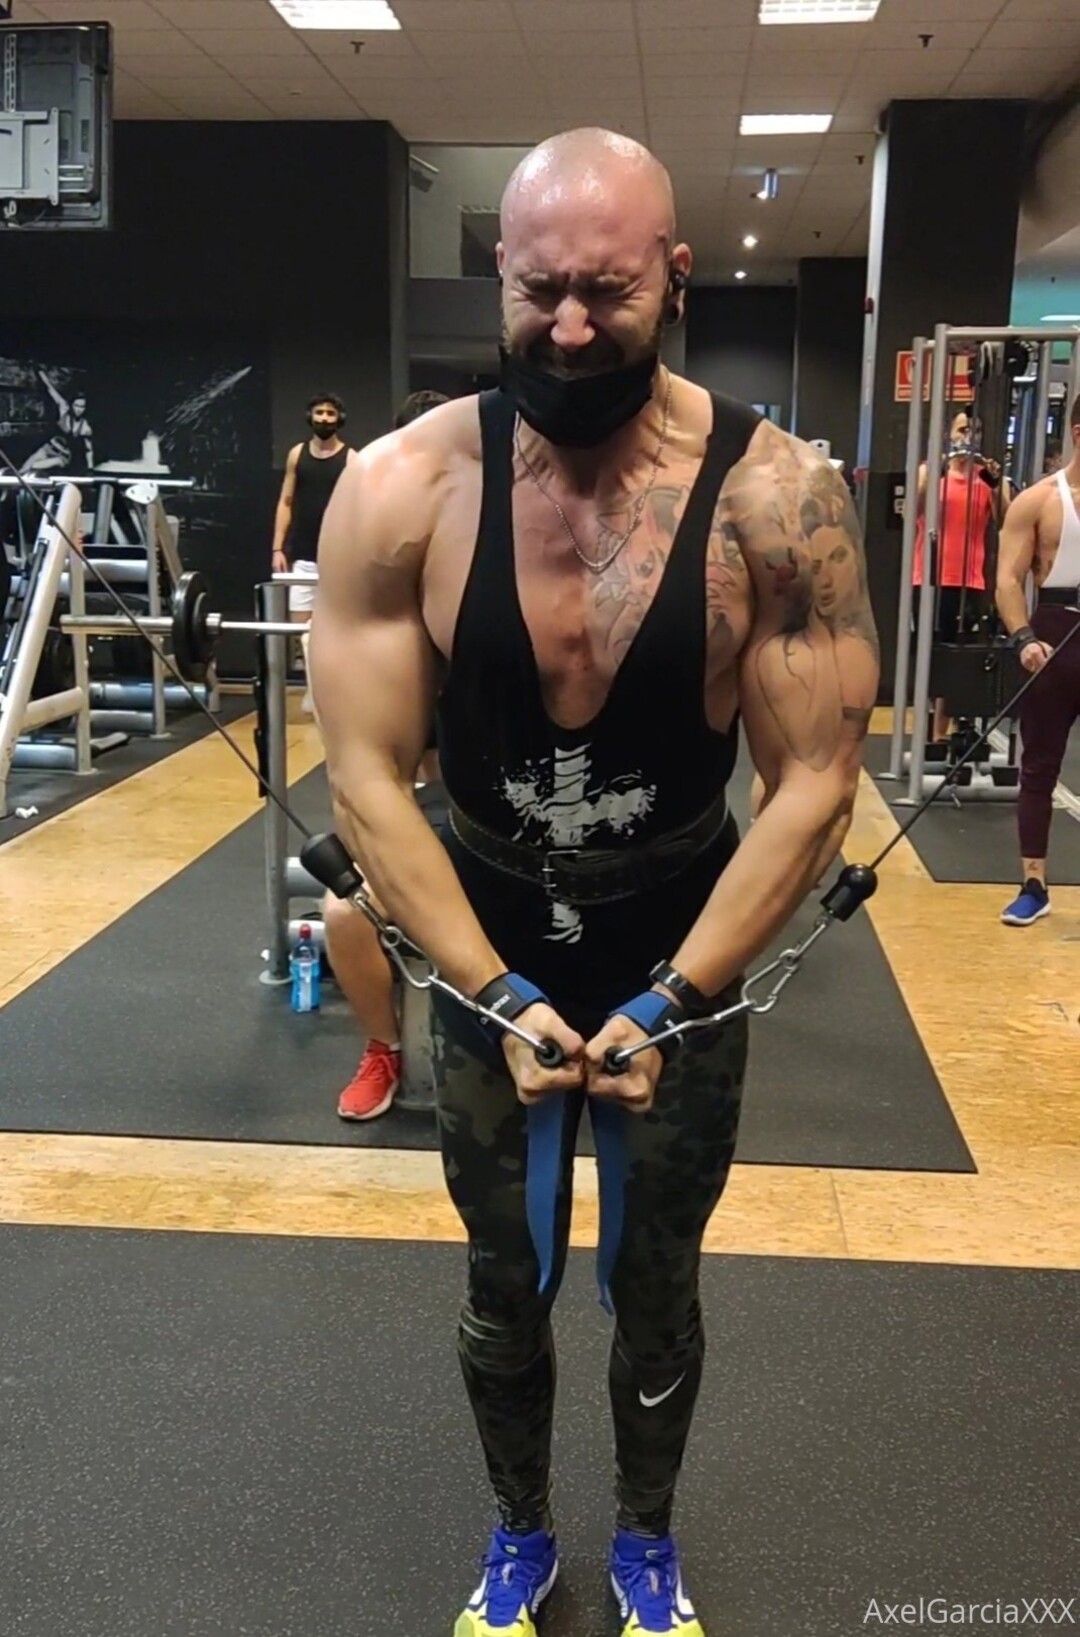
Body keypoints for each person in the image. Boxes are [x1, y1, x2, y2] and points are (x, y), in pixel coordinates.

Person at [310, 128, 878, 1637]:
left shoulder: (779, 495)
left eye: (608, 292)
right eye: (540, 288)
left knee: (658, 1275)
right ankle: (517, 1534)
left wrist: (677, 996)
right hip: (485, 928)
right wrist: (492, 989)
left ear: (675, 276)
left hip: (680, 933)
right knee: (505, 1276)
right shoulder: (400, 486)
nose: (568, 327)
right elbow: (366, 774)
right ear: (499, 270)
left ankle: (645, 1540)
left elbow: (815, 780)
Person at [325, 387, 450, 1122]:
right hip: (418, 803)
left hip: (506, 811)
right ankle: (383, 1046)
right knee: (345, 913)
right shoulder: (377, 596)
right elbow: (370, 772)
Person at [994, 393, 1080, 926]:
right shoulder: (1039, 501)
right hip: (1055, 634)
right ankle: (1033, 884)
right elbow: (1007, 579)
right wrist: (1024, 637)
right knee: (1040, 764)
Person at [912, 410, 1010, 744]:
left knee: (960, 659)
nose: (968, 436)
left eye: (974, 430)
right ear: (950, 435)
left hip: (970, 581)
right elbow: (913, 509)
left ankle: (942, 734)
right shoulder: (931, 472)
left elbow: (1007, 521)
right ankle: (928, 734)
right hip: (930, 577)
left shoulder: (987, 478)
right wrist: (935, 470)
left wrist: (995, 484)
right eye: (963, 429)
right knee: (932, 656)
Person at [271, 393, 351, 711]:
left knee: (336, 630)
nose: (324, 418)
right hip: (303, 557)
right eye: (320, 412)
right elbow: (286, 502)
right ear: (310, 416)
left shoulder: (352, 459)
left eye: (330, 413)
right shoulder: (297, 455)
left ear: (339, 418)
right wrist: (278, 547)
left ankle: (334, 694)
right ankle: (312, 690)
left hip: (337, 558)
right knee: (301, 630)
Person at [20, 371, 94, 475]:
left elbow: (89, 450)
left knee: (34, 466)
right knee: (24, 469)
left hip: (62, 457)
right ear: (71, 405)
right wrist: (40, 373)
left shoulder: (85, 427)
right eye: (77, 406)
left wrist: (90, 469)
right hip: (49, 447)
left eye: (82, 407)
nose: (79, 410)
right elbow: (50, 388)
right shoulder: (64, 409)